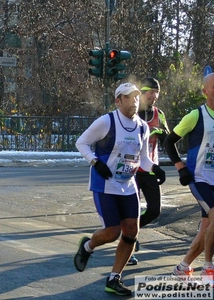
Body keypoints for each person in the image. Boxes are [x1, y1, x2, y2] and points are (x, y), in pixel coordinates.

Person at [74, 82, 166, 296]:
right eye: (128, 97)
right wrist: (95, 162)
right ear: (118, 100)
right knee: (112, 232)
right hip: (105, 184)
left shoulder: (143, 126)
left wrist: (155, 169)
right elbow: (82, 143)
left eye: (136, 97)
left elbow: (142, 159)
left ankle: (114, 278)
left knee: (132, 231)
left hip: (128, 186)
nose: (134, 100)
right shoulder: (107, 121)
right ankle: (87, 246)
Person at [164, 72, 214, 282]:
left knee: (206, 229)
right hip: (199, 178)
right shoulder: (196, 115)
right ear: (204, 91)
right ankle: (208, 267)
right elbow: (169, 142)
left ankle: (183, 267)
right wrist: (180, 167)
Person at [128, 78, 170, 265]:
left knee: (154, 210)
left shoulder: (158, 114)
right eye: (150, 92)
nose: (153, 96)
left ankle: (130, 231)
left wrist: (163, 134)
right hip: (132, 169)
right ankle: (130, 241)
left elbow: (169, 139)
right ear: (142, 93)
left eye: (156, 92)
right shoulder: (132, 113)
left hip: (150, 169)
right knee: (132, 211)